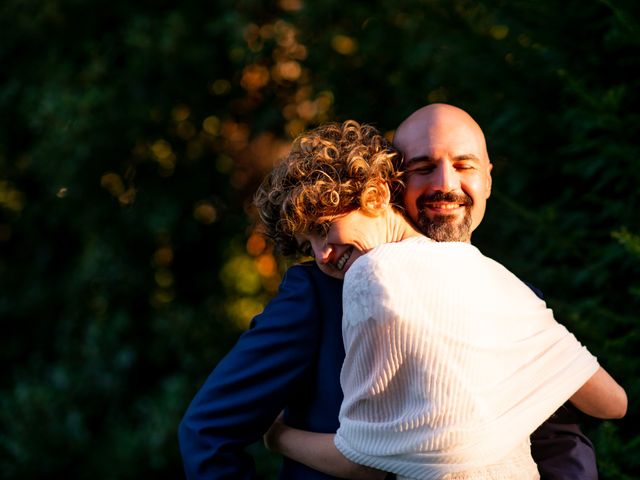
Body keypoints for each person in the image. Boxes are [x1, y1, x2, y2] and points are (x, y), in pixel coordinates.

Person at [178, 104, 607, 479]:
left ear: (489, 179)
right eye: (423, 167)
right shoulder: (320, 291)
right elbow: (209, 430)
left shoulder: (515, 295)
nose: (446, 183)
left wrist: (282, 438)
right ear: (390, 186)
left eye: (464, 165)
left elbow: (559, 444)